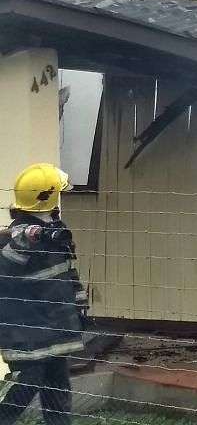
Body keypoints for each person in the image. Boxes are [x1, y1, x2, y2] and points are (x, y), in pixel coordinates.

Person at [0, 163, 87, 425]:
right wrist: (25, 241)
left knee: (58, 388)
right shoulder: (16, 237)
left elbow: (68, 272)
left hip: (55, 326)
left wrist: (80, 306)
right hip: (25, 330)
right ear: (47, 197)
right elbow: (4, 269)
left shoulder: (55, 232)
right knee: (26, 383)